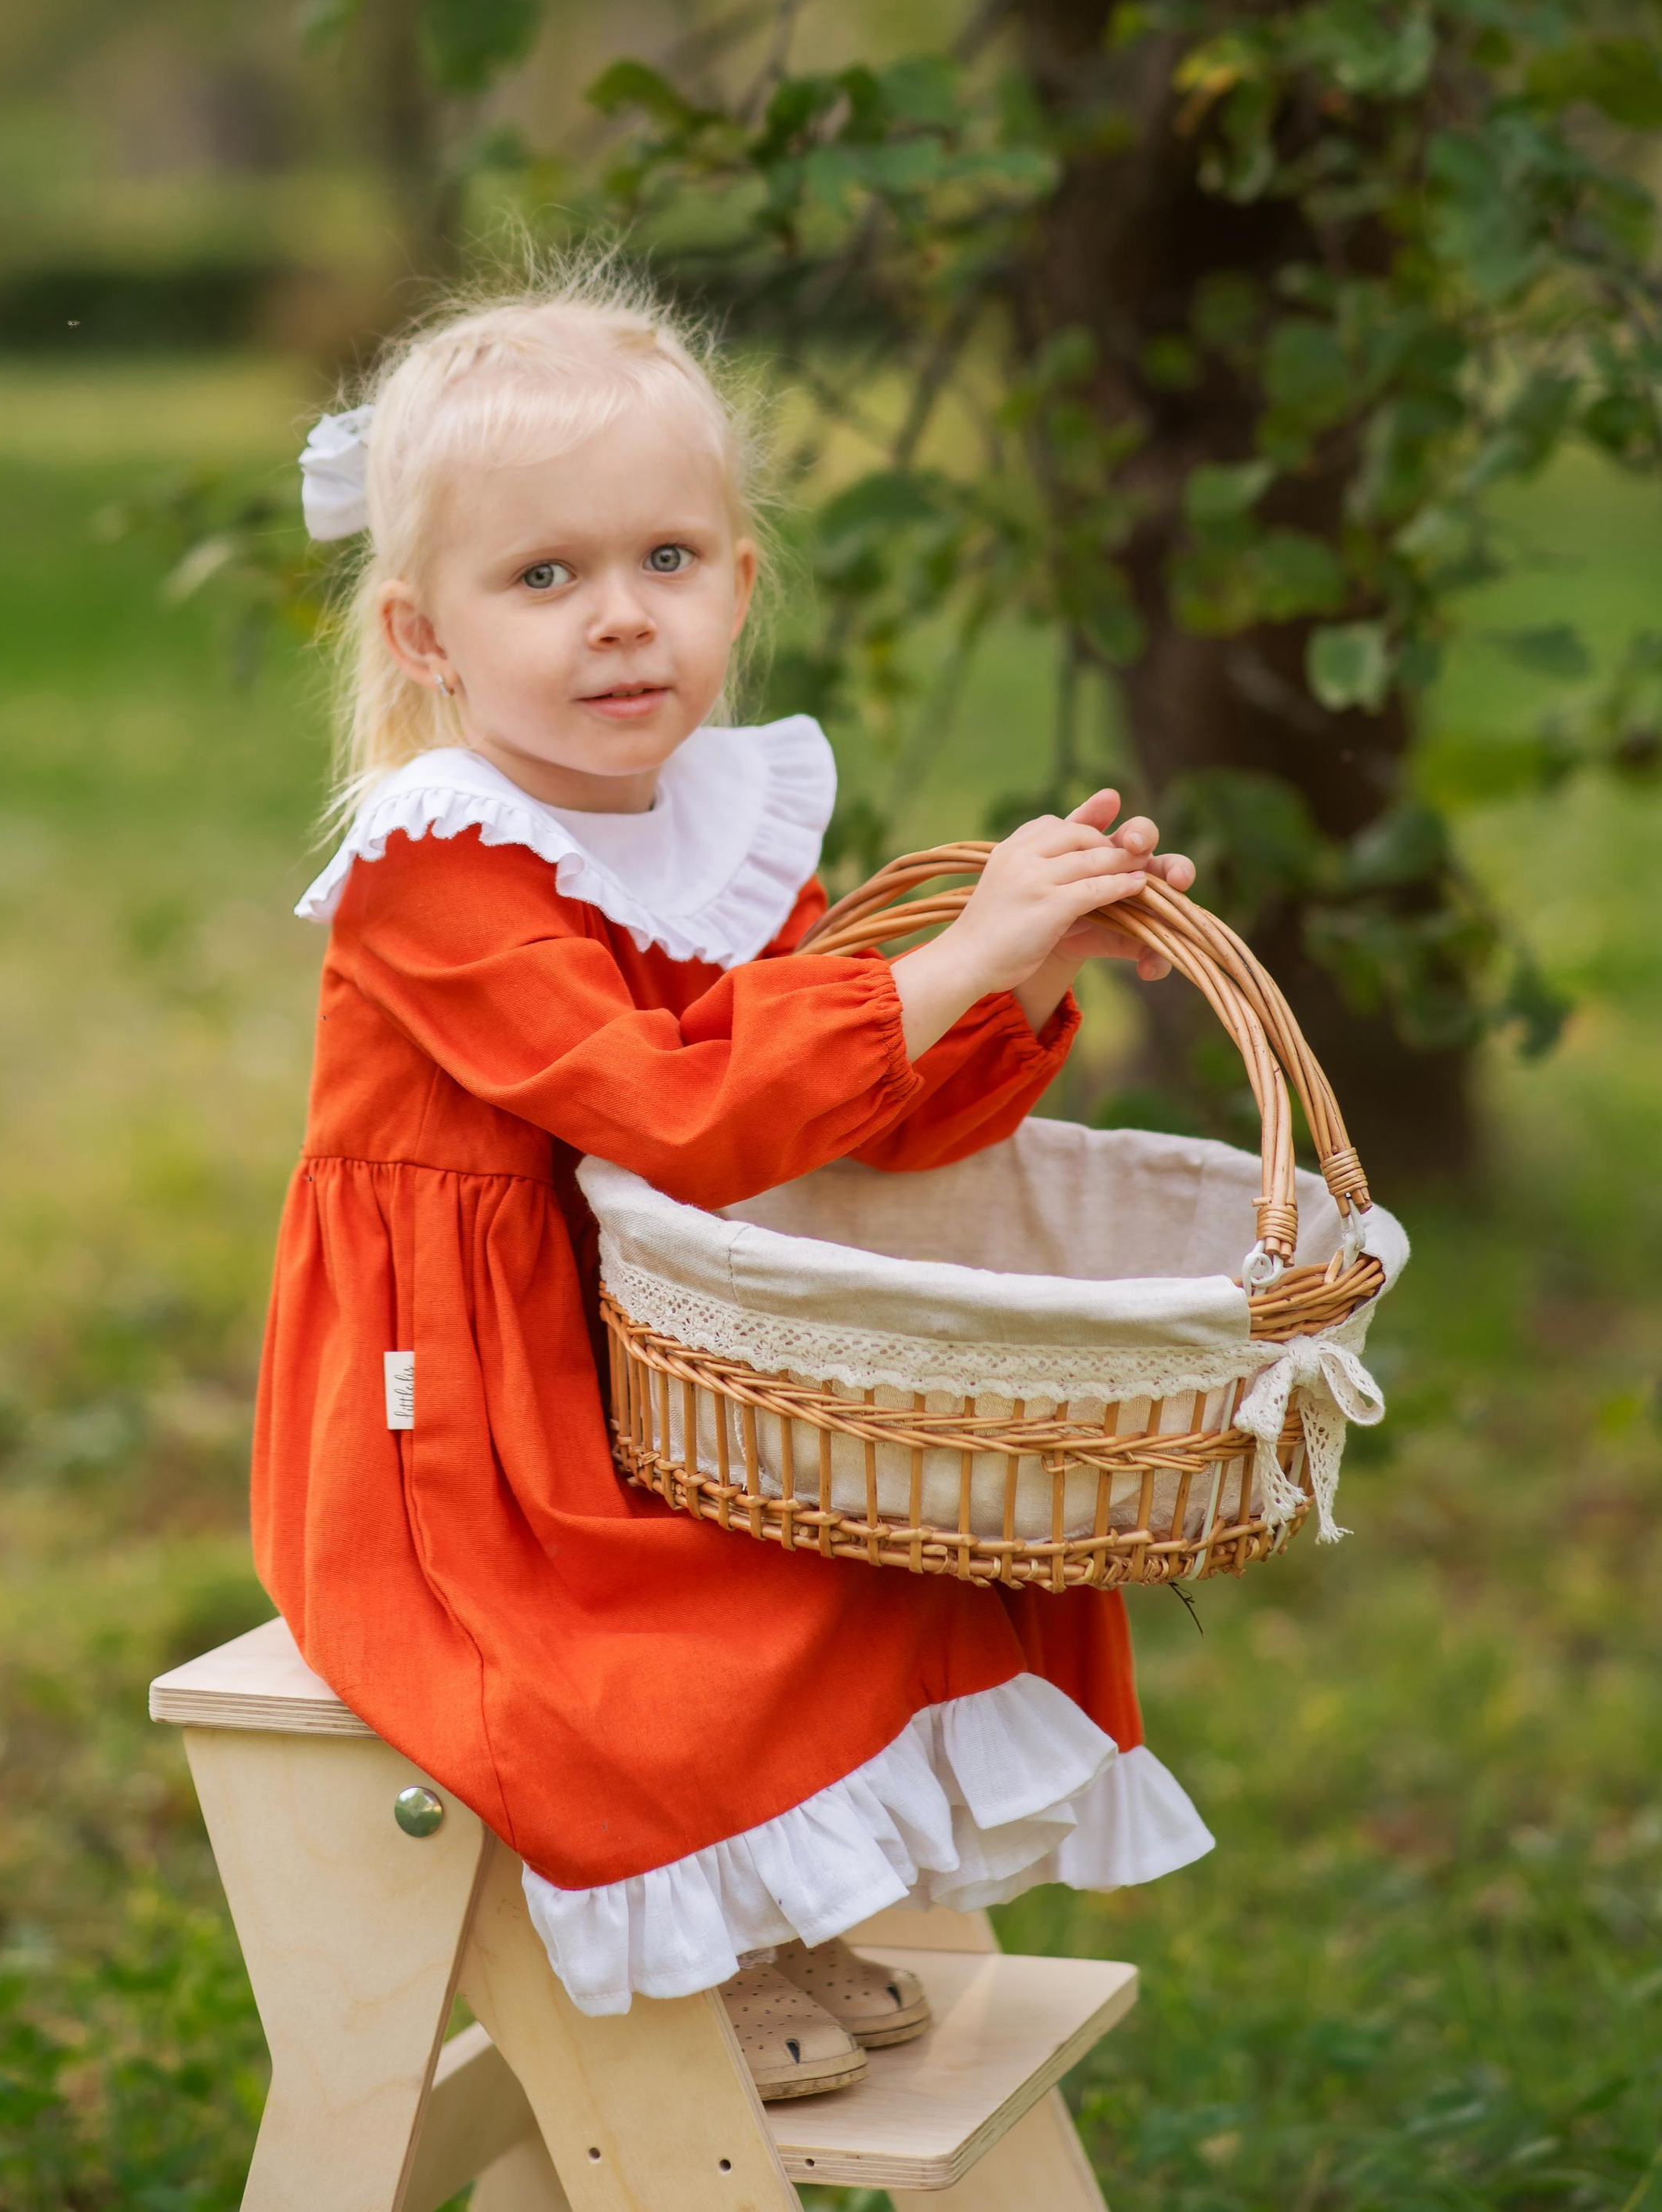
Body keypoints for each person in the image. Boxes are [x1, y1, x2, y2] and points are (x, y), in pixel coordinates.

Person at [251, 270, 1213, 2097]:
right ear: (426, 634)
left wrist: (1007, 970)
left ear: (739, 583)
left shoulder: (706, 823)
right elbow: (675, 1106)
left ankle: (772, 1911)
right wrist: (932, 962)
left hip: (666, 1363)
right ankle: (689, 1959)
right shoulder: (436, 871)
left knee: (900, 1541)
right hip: (464, 1417)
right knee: (656, 1627)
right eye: (542, 578)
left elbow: (837, 1120)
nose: (619, 623)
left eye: (666, 560)